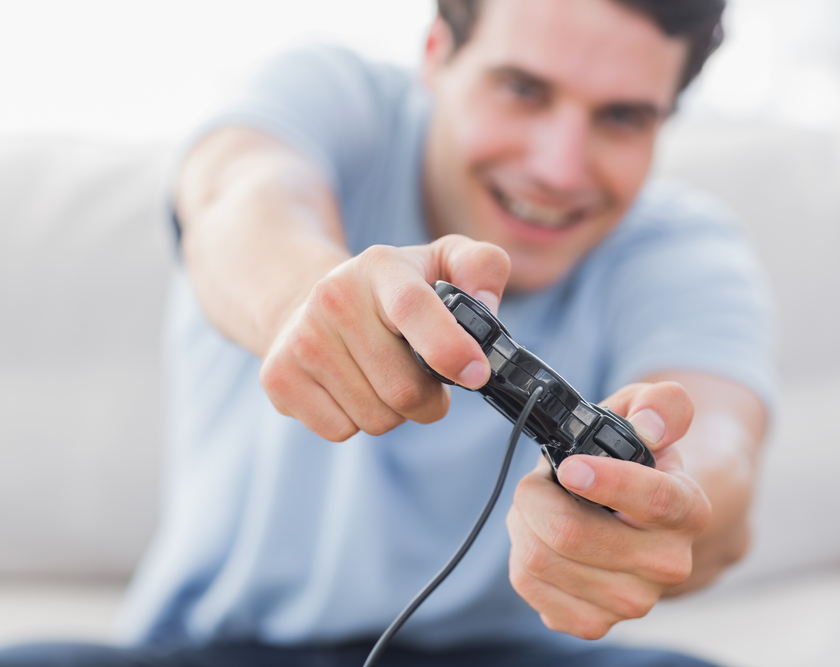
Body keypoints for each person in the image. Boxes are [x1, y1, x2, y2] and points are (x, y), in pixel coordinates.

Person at [0, 0, 773, 665]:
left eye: (621, 117)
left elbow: (721, 461)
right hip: (213, 647)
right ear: (436, 53)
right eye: (522, 89)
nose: (559, 168)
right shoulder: (328, 95)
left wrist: (662, 503)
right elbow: (237, 201)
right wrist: (305, 299)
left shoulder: (684, 250)